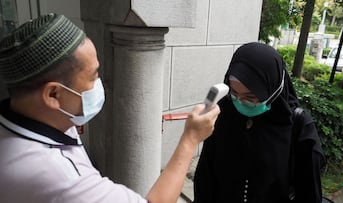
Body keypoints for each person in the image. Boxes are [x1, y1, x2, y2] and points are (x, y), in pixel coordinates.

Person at [0, 13, 220, 203]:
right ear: (53, 95)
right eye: (94, 75)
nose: (99, 83)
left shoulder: (36, 118)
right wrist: (190, 138)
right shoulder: (60, 177)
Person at [193, 42, 324, 203]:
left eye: (250, 96)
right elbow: (205, 177)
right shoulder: (223, 112)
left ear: (273, 90)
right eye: (234, 92)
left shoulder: (299, 127)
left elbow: (309, 193)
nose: (240, 101)